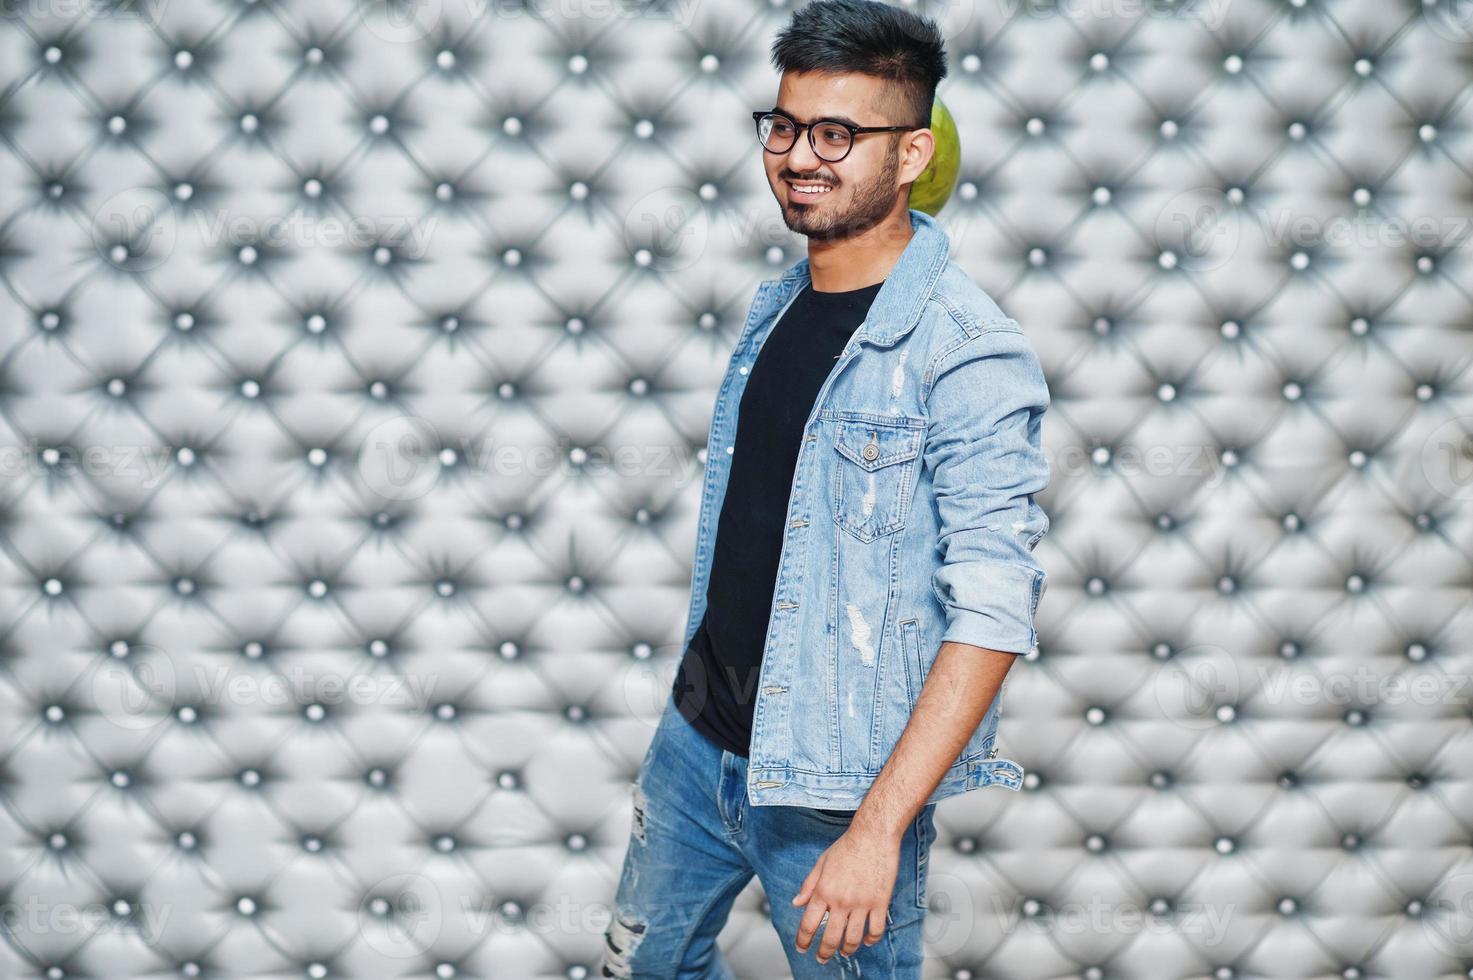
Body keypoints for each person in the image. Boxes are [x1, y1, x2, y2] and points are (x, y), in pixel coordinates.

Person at [600, 1, 1051, 976]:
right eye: (788, 125)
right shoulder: (780, 307)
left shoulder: (968, 351)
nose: (802, 155)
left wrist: (878, 829)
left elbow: (994, 608)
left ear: (912, 152)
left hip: (837, 785)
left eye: (841, 133)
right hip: (700, 739)